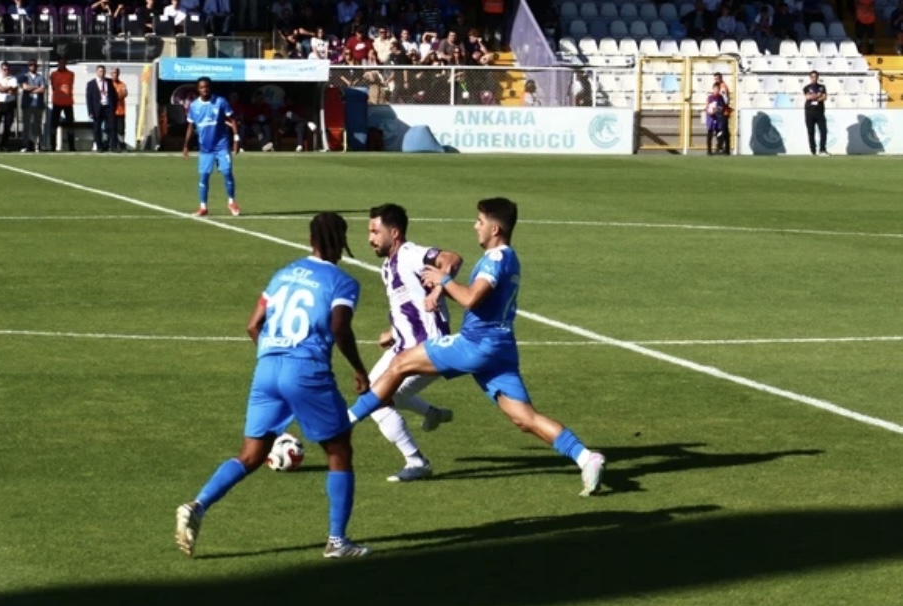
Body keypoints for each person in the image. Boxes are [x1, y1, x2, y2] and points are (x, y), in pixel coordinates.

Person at [347, 198, 607, 497]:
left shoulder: (495, 259)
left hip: (476, 343)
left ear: (494, 228)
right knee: (524, 418)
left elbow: (472, 298)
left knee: (400, 364)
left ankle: (346, 422)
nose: (475, 227)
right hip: (500, 349)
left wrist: (442, 280)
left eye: (480, 222)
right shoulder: (511, 258)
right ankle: (587, 458)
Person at [175, 213, 372, 559]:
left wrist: (274, 356)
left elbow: (253, 326)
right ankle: (337, 541)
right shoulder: (342, 282)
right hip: (306, 369)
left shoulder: (283, 274)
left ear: (310, 240)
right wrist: (358, 368)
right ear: (341, 241)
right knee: (339, 451)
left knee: (250, 455)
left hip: (267, 367)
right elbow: (340, 326)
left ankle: (198, 504)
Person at [365, 203, 461, 482]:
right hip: (404, 346)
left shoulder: (409, 254)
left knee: (377, 401)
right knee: (377, 392)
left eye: (375, 231)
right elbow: (410, 307)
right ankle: (432, 413)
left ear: (394, 232)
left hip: (428, 349)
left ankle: (416, 461)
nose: (370, 238)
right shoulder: (388, 266)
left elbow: (452, 258)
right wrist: (393, 332)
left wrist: (440, 289)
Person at [183, 77, 241, 217]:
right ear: (198, 89)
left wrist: (236, 138)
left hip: (221, 145)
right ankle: (203, 207)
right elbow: (190, 125)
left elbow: (233, 120)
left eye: (207, 87)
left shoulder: (220, 102)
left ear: (210, 88)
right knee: (204, 177)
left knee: (227, 172)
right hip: (205, 149)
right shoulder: (194, 106)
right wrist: (186, 145)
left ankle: (231, 202)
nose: (205, 89)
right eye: (202, 87)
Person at [86, 65, 118, 153]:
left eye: (103, 71)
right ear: (96, 72)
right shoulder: (91, 84)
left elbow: (114, 96)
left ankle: (113, 146)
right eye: (100, 71)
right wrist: (90, 111)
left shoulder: (109, 82)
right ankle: (99, 146)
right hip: (97, 108)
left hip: (108, 107)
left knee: (112, 127)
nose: (102, 73)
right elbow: (89, 99)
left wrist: (113, 107)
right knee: (97, 128)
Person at [0, 62, 19, 152]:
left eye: (7, 69)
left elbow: (14, 90)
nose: (6, 71)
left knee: (7, 126)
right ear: (1, 69)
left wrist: (6, 88)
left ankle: (3, 145)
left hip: (9, 103)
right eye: (4, 69)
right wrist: (8, 88)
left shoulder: (13, 78)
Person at [19, 59, 46, 152]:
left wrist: (31, 89)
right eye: (31, 65)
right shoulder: (24, 76)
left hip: (38, 104)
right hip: (27, 104)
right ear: (28, 66)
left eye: (34, 65)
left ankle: (39, 145)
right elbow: (25, 87)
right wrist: (35, 88)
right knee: (26, 125)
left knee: (37, 125)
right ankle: (25, 145)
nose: (32, 67)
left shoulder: (40, 77)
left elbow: (42, 89)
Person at [49, 57, 76, 152]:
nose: (62, 65)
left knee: (70, 125)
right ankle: (53, 146)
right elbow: (53, 86)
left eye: (63, 63)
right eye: (60, 63)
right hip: (57, 102)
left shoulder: (70, 74)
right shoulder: (53, 74)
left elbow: (69, 85)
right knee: (53, 125)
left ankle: (71, 146)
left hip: (68, 102)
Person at [803, 70, 828, 156]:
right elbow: (808, 97)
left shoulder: (822, 87)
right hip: (809, 111)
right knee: (811, 131)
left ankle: (822, 149)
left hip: (820, 111)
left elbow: (824, 97)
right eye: (812, 77)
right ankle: (813, 150)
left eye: (816, 76)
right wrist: (818, 95)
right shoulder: (807, 87)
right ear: (810, 77)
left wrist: (815, 96)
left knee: (823, 130)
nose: (814, 78)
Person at [704, 82, 729, 155]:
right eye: (715, 89)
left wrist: (717, 110)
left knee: (719, 134)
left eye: (718, 89)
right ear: (713, 89)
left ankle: (719, 148)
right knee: (710, 133)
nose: (716, 90)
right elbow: (708, 106)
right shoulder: (710, 97)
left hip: (718, 118)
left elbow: (722, 107)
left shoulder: (720, 97)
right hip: (711, 118)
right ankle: (709, 150)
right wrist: (709, 110)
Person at [110, 68, 129, 152]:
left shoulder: (122, 84)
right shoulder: (108, 84)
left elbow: (124, 93)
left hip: (120, 110)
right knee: (110, 128)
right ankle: (110, 145)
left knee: (121, 129)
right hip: (110, 111)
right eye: (113, 73)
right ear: (110, 74)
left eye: (116, 73)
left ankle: (121, 145)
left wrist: (117, 95)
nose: (115, 74)